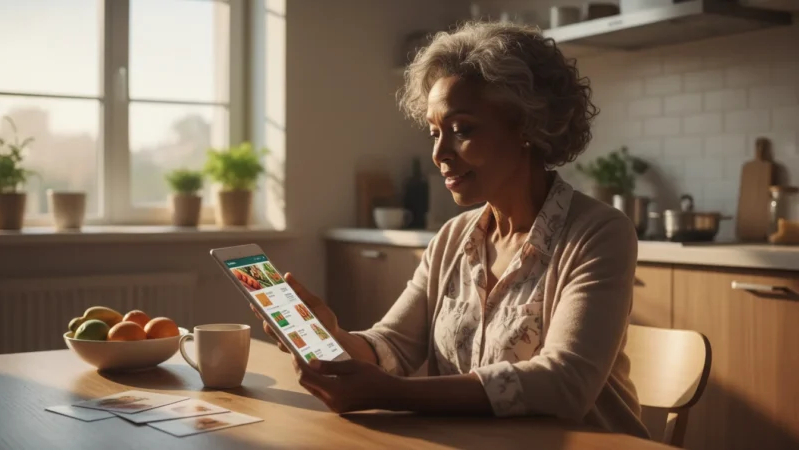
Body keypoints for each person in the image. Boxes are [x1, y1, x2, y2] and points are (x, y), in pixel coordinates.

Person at [252, 21, 649, 438]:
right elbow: (391, 347)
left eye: (462, 130)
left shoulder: (599, 233)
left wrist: (396, 394)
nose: (439, 153)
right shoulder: (453, 239)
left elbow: (564, 383)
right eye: (435, 132)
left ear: (527, 127)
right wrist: (328, 334)